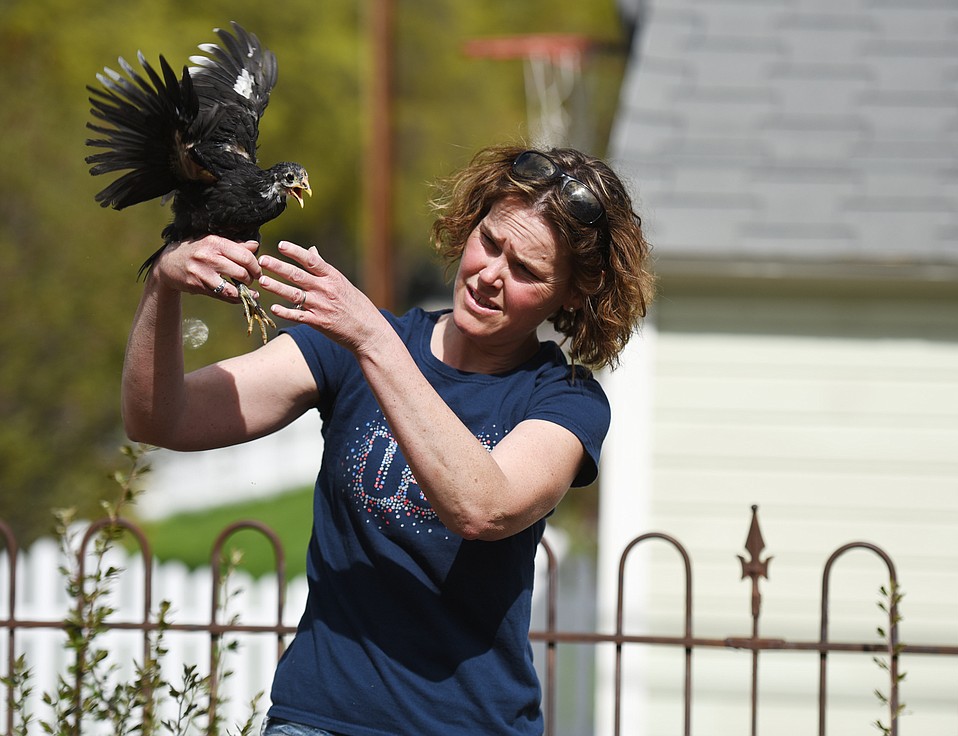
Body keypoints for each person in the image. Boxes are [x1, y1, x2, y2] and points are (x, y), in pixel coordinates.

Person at [120, 144, 655, 736]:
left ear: (573, 293)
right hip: (315, 721)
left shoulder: (564, 399)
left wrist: (373, 340)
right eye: (490, 242)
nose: (490, 275)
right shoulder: (350, 346)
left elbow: (483, 507)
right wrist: (162, 285)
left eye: (526, 271)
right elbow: (160, 420)